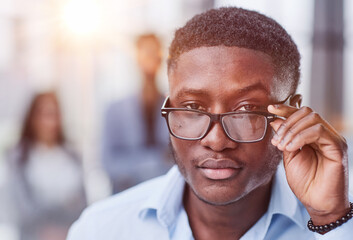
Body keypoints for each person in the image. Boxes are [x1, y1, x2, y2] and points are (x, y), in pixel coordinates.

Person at [68, 7, 352, 240]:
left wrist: (331, 220)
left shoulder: (337, 224)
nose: (216, 141)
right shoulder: (101, 230)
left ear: (292, 112)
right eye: (193, 107)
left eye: (247, 109)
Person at [6, 92, 86, 240]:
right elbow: (24, 209)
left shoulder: (72, 155)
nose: (51, 122)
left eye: (54, 114)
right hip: (35, 235)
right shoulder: (18, 158)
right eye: (45, 115)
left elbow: (83, 204)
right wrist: (63, 208)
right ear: (33, 118)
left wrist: (65, 227)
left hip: (70, 234)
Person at [101, 34, 173, 194]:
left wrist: (133, 163)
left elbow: (180, 161)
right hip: (126, 199)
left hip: (165, 195)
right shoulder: (115, 110)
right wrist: (156, 161)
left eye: (154, 53)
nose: (150, 58)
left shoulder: (174, 107)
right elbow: (108, 163)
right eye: (145, 52)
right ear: (136, 59)